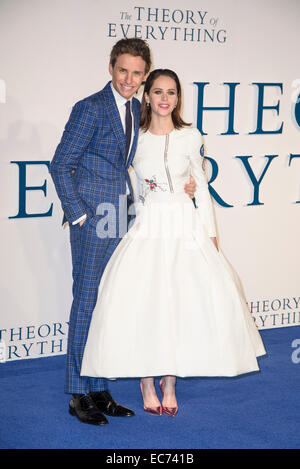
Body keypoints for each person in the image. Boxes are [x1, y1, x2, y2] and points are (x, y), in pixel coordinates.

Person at [80, 68, 267, 417]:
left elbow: (202, 185)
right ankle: (147, 381)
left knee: (180, 303)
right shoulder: (133, 137)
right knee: (147, 302)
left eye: (172, 92)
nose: (165, 99)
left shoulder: (190, 135)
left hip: (186, 225)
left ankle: (169, 381)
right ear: (146, 96)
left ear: (178, 98)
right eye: (158, 92)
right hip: (149, 226)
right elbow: (123, 181)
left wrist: (210, 235)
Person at [50, 39, 196, 425]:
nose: (129, 80)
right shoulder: (90, 108)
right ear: (110, 68)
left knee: (108, 302)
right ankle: (78, 393)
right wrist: (79, 216)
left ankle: (99, 386)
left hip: (126, 218)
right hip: (94, 221)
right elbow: (60, 164)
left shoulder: (137, 108)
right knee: (86, 301)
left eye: (137, 73)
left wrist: (193, 182)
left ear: (144, 75)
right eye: (123, 71)